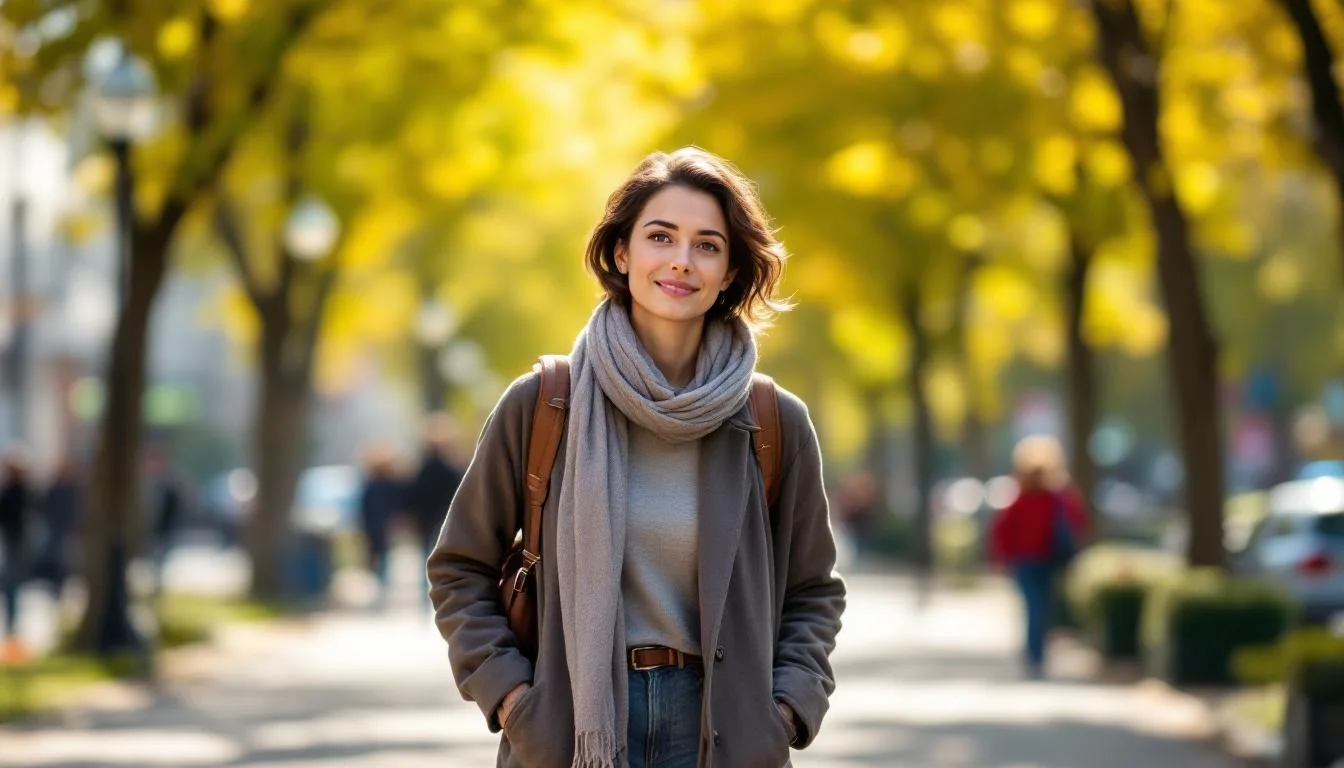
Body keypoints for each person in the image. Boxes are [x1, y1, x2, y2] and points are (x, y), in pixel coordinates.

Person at [427, 147, 846, 768]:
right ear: (622, 254)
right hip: (571, 730)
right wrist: (514, 699)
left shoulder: (771, 421)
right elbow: (459, 568)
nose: (681, 260)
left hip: (721, 732)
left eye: (707, 245)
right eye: (660, 236)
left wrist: (784, 710)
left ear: (730, 271)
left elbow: (813, 591)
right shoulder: (545, 405)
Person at [989, 435, 1089, 680]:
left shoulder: (1018, 499)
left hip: (1025, 561)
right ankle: (1037, 651)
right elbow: (1078, 522)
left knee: (1031, 605)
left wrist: (1000, 560)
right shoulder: (1059, 498)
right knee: (1042, 606)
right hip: (1048, 559)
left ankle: (1034, 652)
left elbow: (1002, 531)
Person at [407, 413, 465, 566]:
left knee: (426, 552)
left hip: (426, 517)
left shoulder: (423, 469)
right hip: (444, 515)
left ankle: (426, 584)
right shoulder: (450, 469)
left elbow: (415, 493)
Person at [358, 444, 403, 601]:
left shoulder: (371, 484)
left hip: (374, 525)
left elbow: (364, 507)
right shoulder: (390, 484)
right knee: (383, 556)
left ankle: (381, 585)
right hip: (384, 525)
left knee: (377, 556)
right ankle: (383, 585)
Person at [0, 445, 32, 661]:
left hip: (14, 542)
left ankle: (12, 626)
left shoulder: (16, 490)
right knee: (12, 585)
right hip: (13, 541)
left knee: (12, 584)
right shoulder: (18, 490)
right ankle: (12, 625)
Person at [38, 455, 82, 599]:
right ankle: (56, 583)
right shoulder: (55, 487)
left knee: (67, 559)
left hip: (68, 528)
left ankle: (63, 583)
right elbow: (46, 505)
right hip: (56, 527)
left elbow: (78, 508)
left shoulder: (74, 489)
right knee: (56, 557)